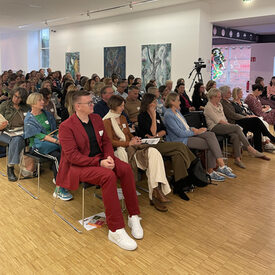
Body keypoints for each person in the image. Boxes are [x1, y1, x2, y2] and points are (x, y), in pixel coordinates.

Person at [56, 90, 143, 250]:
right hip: (80, 166)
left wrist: (109, 157)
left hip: (102, 159)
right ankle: (115, 229)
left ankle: (133, 215)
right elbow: (73, 157)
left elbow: (106, 142)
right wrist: (100, 162)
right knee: (108, 176)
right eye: (89, 103)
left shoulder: (96, 119)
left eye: (92, 101)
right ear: (78, 106)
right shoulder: (66, 127)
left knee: (125, 168)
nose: (93, 104)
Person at [103, 95, 171, 212]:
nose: (123, 108)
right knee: (146, 157)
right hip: (119, 152)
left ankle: (155, 190)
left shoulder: (123, 118)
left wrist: (135, 139)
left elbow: (128, 135)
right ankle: (153, 195)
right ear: (114, 106)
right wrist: (129, 143)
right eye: (121, 106)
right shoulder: (106, 121)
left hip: (130, 148)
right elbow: (110, 142)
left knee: (154, 153)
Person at [164, 92, 236, 181]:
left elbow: (186, 126)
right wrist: (196, 132)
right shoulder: (168, 115)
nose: (180, 102)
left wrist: (194, 129)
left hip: (189, 134)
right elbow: (179, 133)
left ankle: (217, 167)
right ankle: (217, 168)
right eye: (178, 100)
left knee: (211, 135)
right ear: (172, 101)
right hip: (181, 140)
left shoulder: (177, 112)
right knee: (211, 144)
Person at [137, 93, 196, 201]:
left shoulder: (157, 114)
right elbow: (152, 131)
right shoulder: (143, 116)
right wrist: (154, 117)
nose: (156, 104)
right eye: (154, 102)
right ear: (148, 103)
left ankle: (179, 186)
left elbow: (164, 130)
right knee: (179, 145)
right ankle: (192, 164)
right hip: (151, 146)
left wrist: (156, 135)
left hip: (160, 142)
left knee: (178, 154)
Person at [24, 93, 73, 201]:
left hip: (51, 143)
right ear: (32, 103)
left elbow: (53, 129)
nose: (43, 102)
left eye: (42, 99)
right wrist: (57, 141)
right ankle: (60, 188)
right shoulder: (29, 119)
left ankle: (61, 178)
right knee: (58, 157)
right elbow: (39, 136)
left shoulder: (46, 114)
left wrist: (59, 136)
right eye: (39, 100)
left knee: (66, 153)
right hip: (37, 147)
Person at [204, 88, 266, 169]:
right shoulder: (208, 107)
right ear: (212, 97)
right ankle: (250, 148)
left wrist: (229, 125)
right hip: (214, 127)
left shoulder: (219, 105)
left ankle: (237, 159)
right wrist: (230, 125)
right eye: (218, 97)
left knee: (236, 136)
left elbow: (224, 118)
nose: (220, 98)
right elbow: (218, 120)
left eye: (220, 97)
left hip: (223, 125)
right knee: (236, 127)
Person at [220, 85, 275, 155]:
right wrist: (246, 117)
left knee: (257, 127)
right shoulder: (224, 103)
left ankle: (259, 149)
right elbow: (232, 115)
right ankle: (270, 137)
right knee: (256, 120)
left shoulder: (229, 102)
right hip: (236, 121)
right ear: (224, 94)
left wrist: (247, 116)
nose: (230, 93)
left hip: (240, 119)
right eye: (229, 92)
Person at [0, 88, 30, 181]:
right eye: (15, 96)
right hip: (5, 132)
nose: (16, 99)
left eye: (19, 98)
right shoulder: (4, 105)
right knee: (16, 140)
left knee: (18, 139)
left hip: (22, 132)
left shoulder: (26, 107)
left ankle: (26, 167)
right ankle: (10, 167)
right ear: (12, 95)